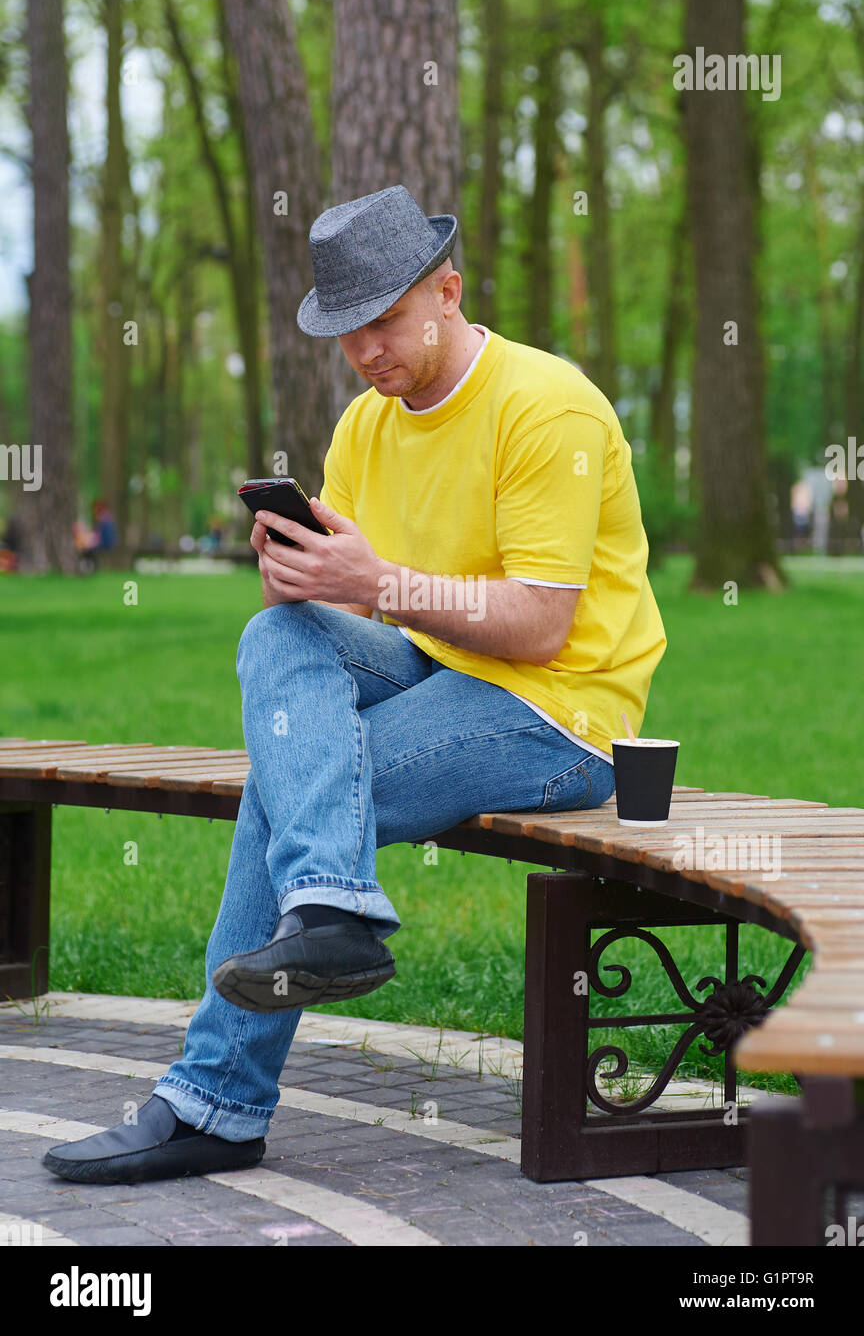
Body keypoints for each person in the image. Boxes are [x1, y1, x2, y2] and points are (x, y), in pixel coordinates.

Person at [43, 185, 667, 1185]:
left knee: (294, 787)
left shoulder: (548, 406)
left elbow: (544, 626)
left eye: (384, 320)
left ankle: (218, 1097)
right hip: (438, 665)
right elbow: (354, 616)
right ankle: (330, 916)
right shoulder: (365, 427)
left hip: (561, 711)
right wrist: (302, 575)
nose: (367, 350)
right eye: (347, 332)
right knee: (276, 634)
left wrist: (374, 582)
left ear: (448, 291)